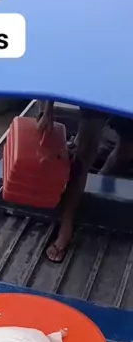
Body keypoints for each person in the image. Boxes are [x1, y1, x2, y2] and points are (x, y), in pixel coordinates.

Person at [37, 102, 133, 262]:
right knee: (84, 151)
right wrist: (47, 110)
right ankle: (66, 224)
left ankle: (101, 175)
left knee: (126, 150)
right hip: (99, 91)